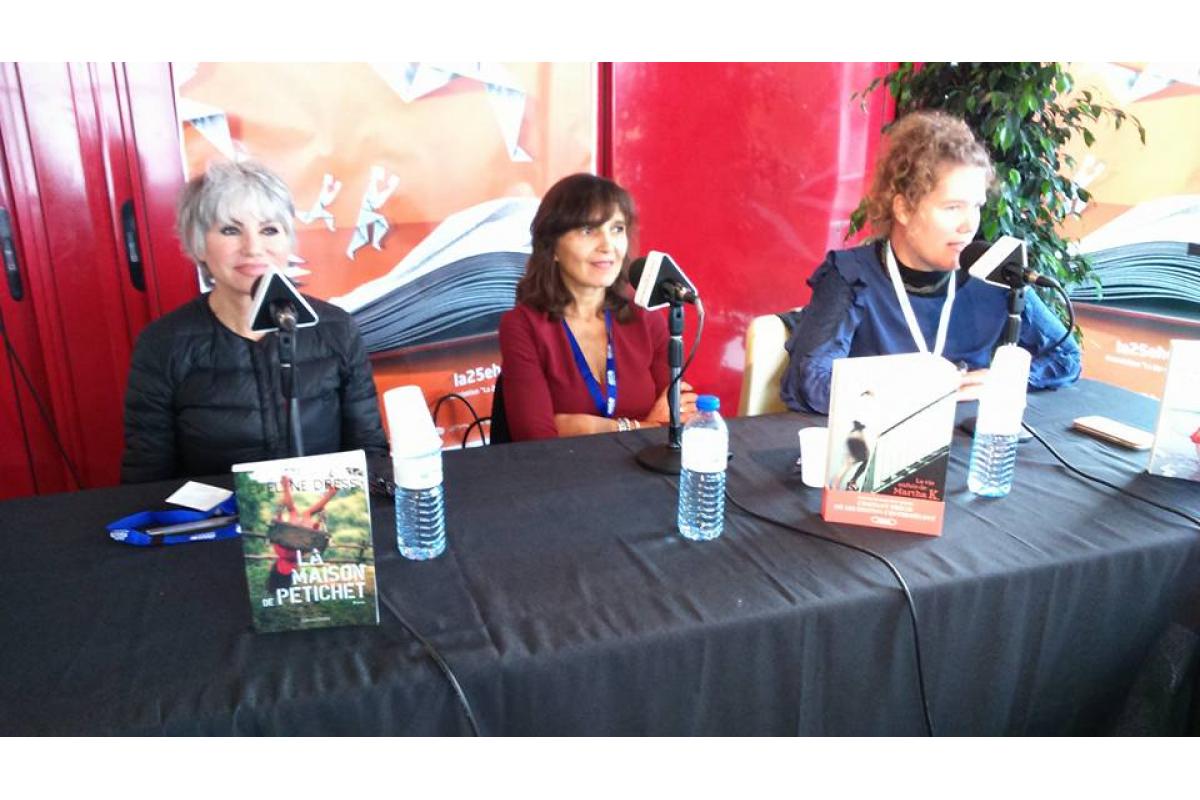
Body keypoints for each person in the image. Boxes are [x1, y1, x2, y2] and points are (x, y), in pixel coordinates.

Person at [780, 111, 1081, 415]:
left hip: (966, 446)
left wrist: (1005, 380)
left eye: (975, 206)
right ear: (903, 209)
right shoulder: (851, 276)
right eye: (952, 207)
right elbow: (810, 382)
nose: (968, 225)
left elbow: (1065, 356)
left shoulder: (994, 274)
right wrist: (916, 392)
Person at [120, 161, 387, 483]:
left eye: (269, 230)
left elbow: (368, 451)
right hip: (220, 528)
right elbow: (147, 475)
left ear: (288, 241)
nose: (253, 248)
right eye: (230, 230)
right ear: (198, 243)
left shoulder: (337, 329)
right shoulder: (163, 343)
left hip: (326, 521)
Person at [498, 173, 697, 441]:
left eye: (617, 229)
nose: (608, 246)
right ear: (552, 248)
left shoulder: (646, 321)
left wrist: (587, 428)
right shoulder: (523, 326)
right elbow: (535, 439)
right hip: (564, 476)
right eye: (588, 230)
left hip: (642, 472)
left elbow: (683, 422)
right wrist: (647, 426)